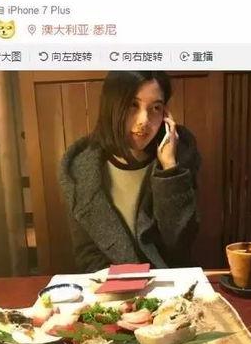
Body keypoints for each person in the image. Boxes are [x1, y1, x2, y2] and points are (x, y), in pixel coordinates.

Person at [59, 71, 201, 273]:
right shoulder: (80, 169)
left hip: (169, 282)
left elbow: (180, 243)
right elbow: (88, 255)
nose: (144, 120)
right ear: (112, 106)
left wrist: (169, 168)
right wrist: (124, 286)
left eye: (156, 108)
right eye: (133, 105)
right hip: (111, 284)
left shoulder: (180, 157)